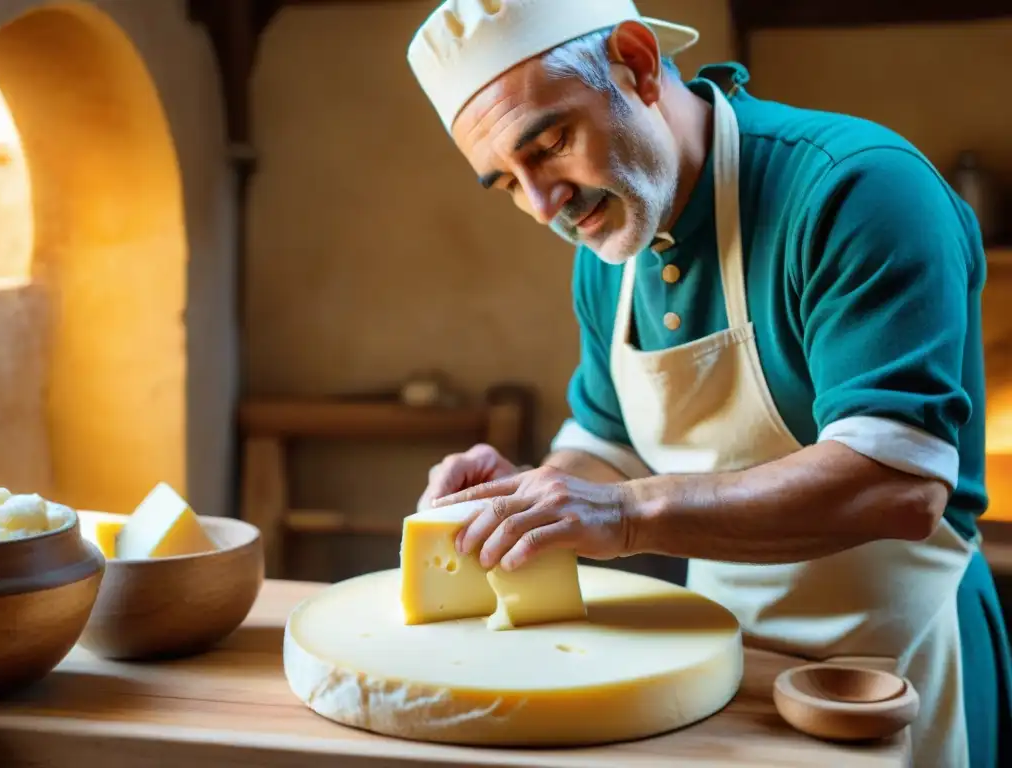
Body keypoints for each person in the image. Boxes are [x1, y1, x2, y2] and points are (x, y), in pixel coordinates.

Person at [406, 1, 1012, 765]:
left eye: (552, 142)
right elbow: (610, 447)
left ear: (637, 62)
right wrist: (532, 494)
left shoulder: (854, 192)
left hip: (903, 663)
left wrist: (626, 515)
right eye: (505, 183)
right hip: (724, 663)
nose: (542, 204)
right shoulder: (608, 255)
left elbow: (895, 487)